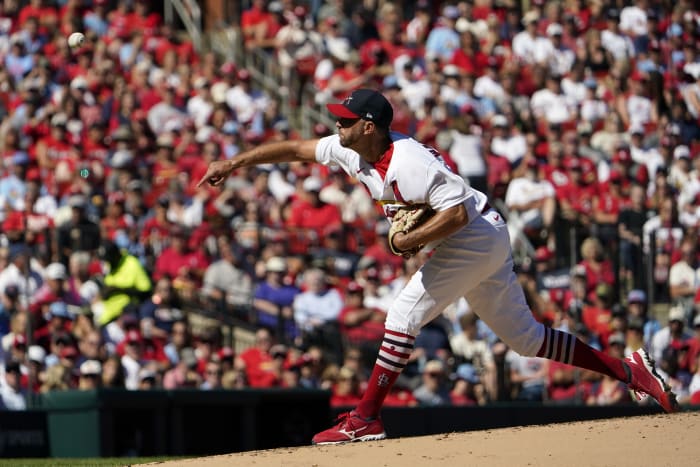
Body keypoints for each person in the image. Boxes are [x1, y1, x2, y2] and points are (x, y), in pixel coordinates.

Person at [198, 88, 678, 445]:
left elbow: (459, 210)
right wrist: (236, 161)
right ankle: (631, 371)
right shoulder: (351, 149)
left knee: (402, 316)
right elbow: (297, 149)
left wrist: (410, 239)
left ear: (369, 126)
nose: (336, 129)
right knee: (526, 339)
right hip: (481, 237)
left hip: (473, 234)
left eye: (345, 122)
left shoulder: (409, 161)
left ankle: (366, 419)